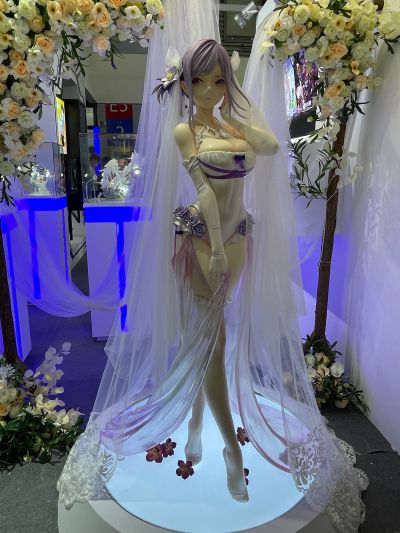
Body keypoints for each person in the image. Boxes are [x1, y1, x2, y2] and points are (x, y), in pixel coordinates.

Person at [58, 3, 363, 530]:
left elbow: (270, 146)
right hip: (204, 242)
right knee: (214, 342)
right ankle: (232, 451)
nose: (208, 90)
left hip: (239, 240)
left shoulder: (230, 123)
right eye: (199, 81)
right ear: (185, 83)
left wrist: (240, 108)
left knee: (208, 339)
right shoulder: (186, 132)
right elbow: (202, 195)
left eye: (218, 80)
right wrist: (217, 247)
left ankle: (197, 426)